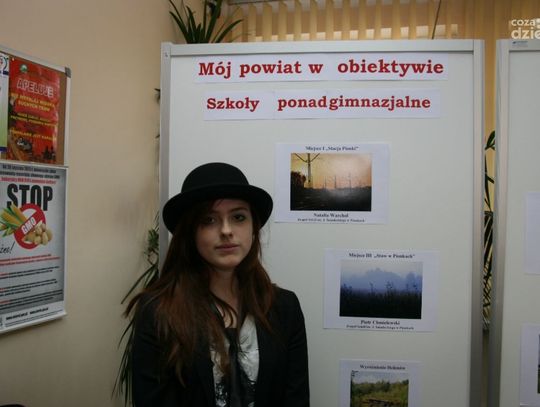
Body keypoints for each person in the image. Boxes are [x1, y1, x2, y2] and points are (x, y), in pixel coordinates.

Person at [126, 162, 310, 407]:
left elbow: (296, 399)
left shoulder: (285, 307)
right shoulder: (158, 311)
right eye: (209, 220)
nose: (226, 230)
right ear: (190, 233)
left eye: (238, 217)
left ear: (253, 228)